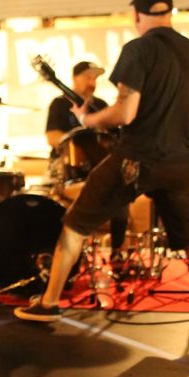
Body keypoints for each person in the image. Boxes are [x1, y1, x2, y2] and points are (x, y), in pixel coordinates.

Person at [15, 0, 189, 343]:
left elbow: (126, 113)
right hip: (181, 162)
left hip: (137, 159)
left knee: (75, 224)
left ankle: (49, 302)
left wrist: (89, 120)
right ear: (169, 12)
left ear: (136, 14)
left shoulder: (138, 49)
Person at [46, 60, 128, 260]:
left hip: (99, 167)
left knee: (121, 195)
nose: (92, 82)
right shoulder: (60, 104)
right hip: (66, 167)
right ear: (75, 78)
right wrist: (77, 140)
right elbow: (52, 137)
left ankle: (117, 254)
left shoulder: (100, 106)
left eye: (95, 78)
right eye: (87, 77)